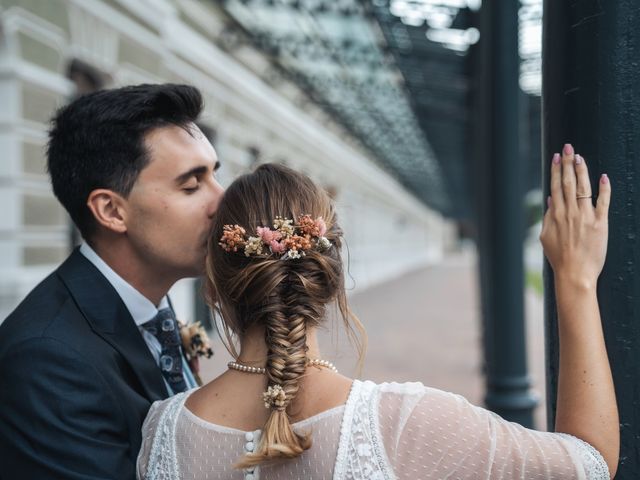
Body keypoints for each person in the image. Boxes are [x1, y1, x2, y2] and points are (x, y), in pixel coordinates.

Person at [138, 145, 619, 479]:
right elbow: (591, 463)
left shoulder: (163, 432)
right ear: (327, 279)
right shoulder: (410, 423)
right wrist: (576, 281)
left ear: (215, 288)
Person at [0, 84, 224, 479]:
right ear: (111, 211)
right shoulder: (47, 362)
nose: (221, 201)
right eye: (192, 185)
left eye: (215, 177)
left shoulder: (149, 306)